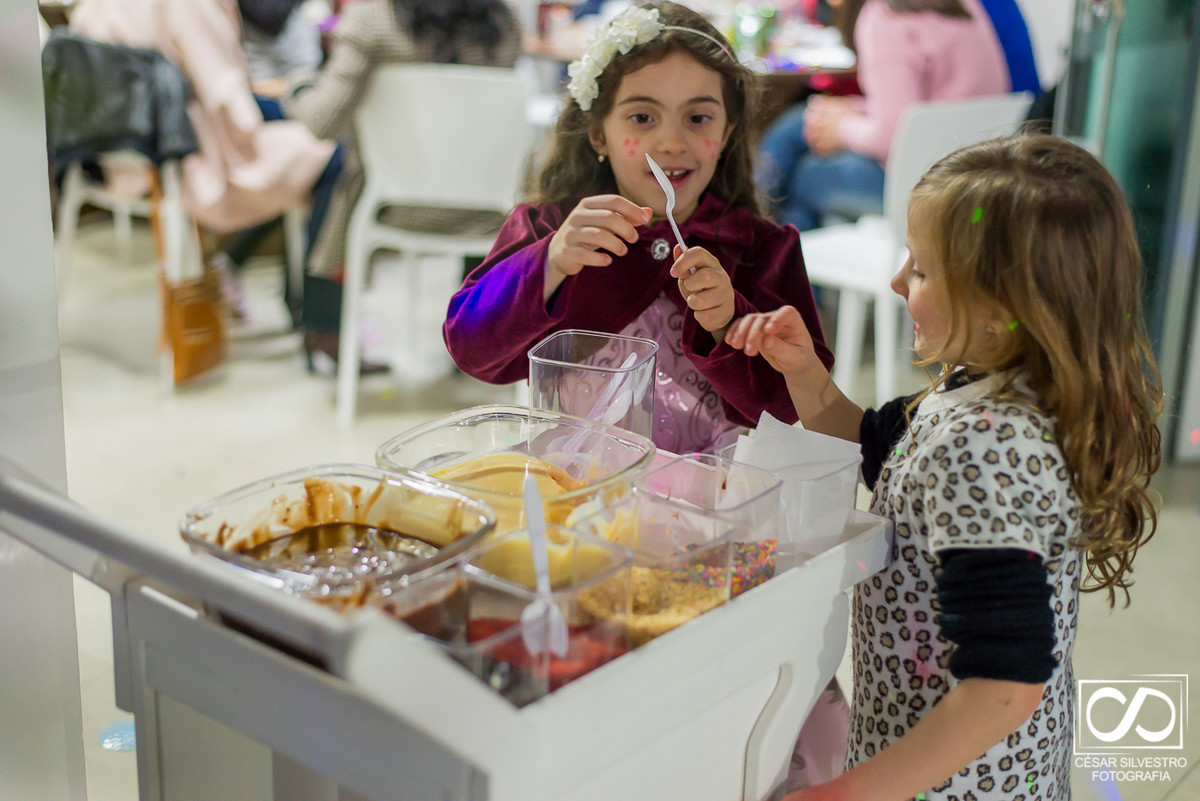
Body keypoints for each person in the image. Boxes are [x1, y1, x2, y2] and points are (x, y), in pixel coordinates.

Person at [727, 133, 1163, 800]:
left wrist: (847, 792)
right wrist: (806, 375)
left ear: (1002, 310)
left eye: (923, 270)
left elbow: (1003, 689)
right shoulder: (999, 386)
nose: (898, 279)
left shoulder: (983, 445)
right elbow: (880, 448)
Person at [443, 1, 833, 455]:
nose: (670, 142)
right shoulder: (551, 229)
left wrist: (729, 322)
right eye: (642, 117)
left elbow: (789, 404)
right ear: (597, 133)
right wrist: (549, 262)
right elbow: (470, 348)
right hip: (573, 491)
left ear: (726, 134)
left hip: (708, 499)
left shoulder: (761, 248)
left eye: (698, 118)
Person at [69, 0, 344, 357]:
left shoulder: (91, 7)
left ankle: (250, 276)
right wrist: (287, 103)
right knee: (333, 156)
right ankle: (323, 325)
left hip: (116, 153)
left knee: (296, 145)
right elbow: (229, 104)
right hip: (188, 153)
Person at [279, 0, 522, 372]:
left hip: (392, 206)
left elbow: (323, 120)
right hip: (485, 209)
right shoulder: (502, 25)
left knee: (334, 174)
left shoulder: (374, 19)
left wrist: (296, 87)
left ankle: (326, 332)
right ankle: (475, 334)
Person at [755, 0, 1009, 232]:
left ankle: (750, 241)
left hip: (922, 187)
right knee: (800, 122)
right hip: (976, 178)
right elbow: (932, 107)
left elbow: (890, 137)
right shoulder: (964, 6)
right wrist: (854, 111)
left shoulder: (885, 17)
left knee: (802, 175)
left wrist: (841, 128)